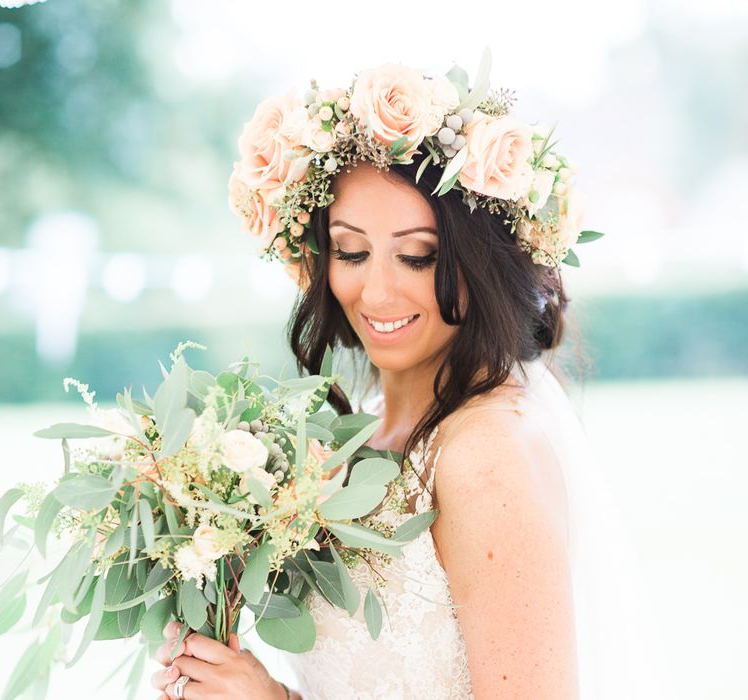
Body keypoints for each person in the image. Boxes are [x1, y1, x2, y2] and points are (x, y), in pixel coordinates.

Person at [151, 55, 665, 699]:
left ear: (482, 266)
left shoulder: (484, 452)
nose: (378, 291)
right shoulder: (361, 421)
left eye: (418, 256)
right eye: (352, 251)